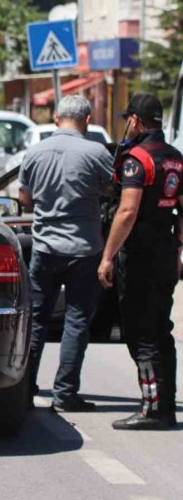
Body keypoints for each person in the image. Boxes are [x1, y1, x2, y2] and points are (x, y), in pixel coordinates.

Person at [18, 95, 113, 412]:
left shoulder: (35, 152)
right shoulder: (97, 153)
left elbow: (25, 199)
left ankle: (24, 390)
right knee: (76, 321)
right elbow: (113, 191)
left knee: (36, 321)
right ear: (87, 120)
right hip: (85, 250)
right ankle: (65, 394)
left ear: (56, 118)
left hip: (44, 248)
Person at [98, 93, 181, 430]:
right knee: (161, 330)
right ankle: (165, 405)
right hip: (165, 254)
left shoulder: (137, 159)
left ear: (135, 120)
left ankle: (152, 409)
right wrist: (178, 250)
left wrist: (107, 256)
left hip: (140, 257)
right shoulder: (175, 157)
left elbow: (127, 211)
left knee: (141, 334)